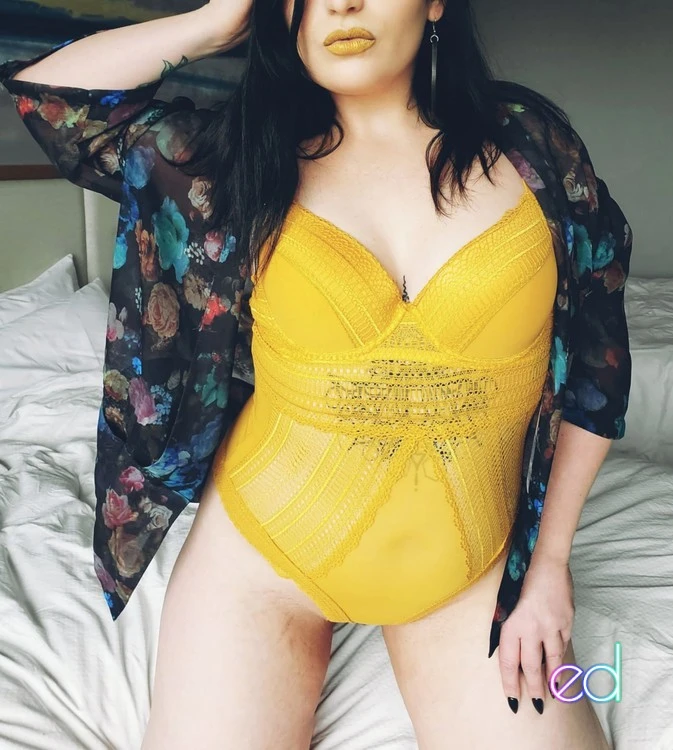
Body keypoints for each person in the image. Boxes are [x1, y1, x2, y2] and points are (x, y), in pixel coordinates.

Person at [0, 0, 632, 748]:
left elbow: (596, 365)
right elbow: (51, 97)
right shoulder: (234, 162)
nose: (341, 3)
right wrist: (218, 20)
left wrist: (549, 564)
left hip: (473, 570)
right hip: (261, 559)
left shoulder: (534, 146)